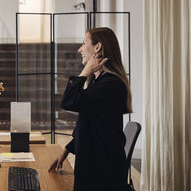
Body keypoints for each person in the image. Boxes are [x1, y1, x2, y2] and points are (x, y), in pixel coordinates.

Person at [49, 27, 132, 191]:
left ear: (98, 47)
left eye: (83, 43)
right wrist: (66, 150)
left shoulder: (109, 84)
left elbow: (68, 101)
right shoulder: (101, 81)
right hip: (98, 163)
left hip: (102, 171)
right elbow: (89, 124)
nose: (80, 49)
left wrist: (85, 72)